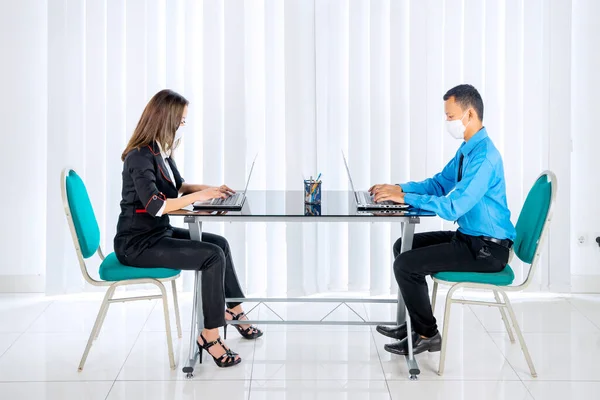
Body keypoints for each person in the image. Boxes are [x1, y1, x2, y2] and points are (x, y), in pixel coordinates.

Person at [114, 89, 262, 368]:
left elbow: (179, 187)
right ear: (165, 119)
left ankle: (235, 311)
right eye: (181, 120)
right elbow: (157, 205)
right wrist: (200, 198)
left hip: (158, 234)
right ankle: (210, 336)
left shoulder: (159, 150)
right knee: (211, 256)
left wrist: (212, 189)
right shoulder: (139, 157)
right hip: (136, 245)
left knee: (219, 244)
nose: (183, 125)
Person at [369, 84, 515, 355]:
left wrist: (406, 199)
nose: (447, 122)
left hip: (487, 250)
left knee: (405, 264)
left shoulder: (484, 159)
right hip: (470, 238)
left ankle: (428, 334)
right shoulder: (467, 150)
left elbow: (452, 207)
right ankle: (416, 324)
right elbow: (438, 184)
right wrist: (399, 189)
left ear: (469, 115)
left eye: (450, 116)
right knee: (404, 247)